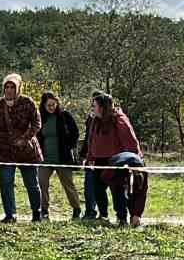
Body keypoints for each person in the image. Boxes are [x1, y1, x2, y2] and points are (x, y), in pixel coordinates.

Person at [0, 73, 42, 224]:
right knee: (6, 183)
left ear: (18, 88)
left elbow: (37, 123)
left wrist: (24, 138)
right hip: (5, 149)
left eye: (12, 87)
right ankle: (10, 214)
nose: (9, 90)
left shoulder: (27, 102)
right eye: (7, 87)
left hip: (26, 150)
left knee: (32, 184)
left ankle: (37, 212)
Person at [86, 93, 148, 227]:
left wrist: (134, 160)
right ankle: (103, 215)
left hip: (116, 161)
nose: (92, 108)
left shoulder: (118, 119)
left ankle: (122, 218)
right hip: (99, 160)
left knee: (117, 190)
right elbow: (92, 141)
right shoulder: (94, 120)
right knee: (98, 188)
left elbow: (130, 140)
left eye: (94, 105)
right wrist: (90, 157)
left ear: (102, 107)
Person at [37, 92, 82, 220]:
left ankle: (77, 209)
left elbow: (75, 133)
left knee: (68, 184)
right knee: (42, 184)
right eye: (48, 105)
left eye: (53, 105)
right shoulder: (40, 117)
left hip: (62, 157)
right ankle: (44, 210)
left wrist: (69, 145)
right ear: (44, 105)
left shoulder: (65, 116)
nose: (51, 107)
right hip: (45, 158)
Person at [79, 94, 104, 220]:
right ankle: (90, 212)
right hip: (91, 157)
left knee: (103, 187)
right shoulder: (90, 119)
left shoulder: (110, 119)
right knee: (89, 186)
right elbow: (88, 139)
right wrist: (83, 155)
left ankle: (103, 213)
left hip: (106, 157)